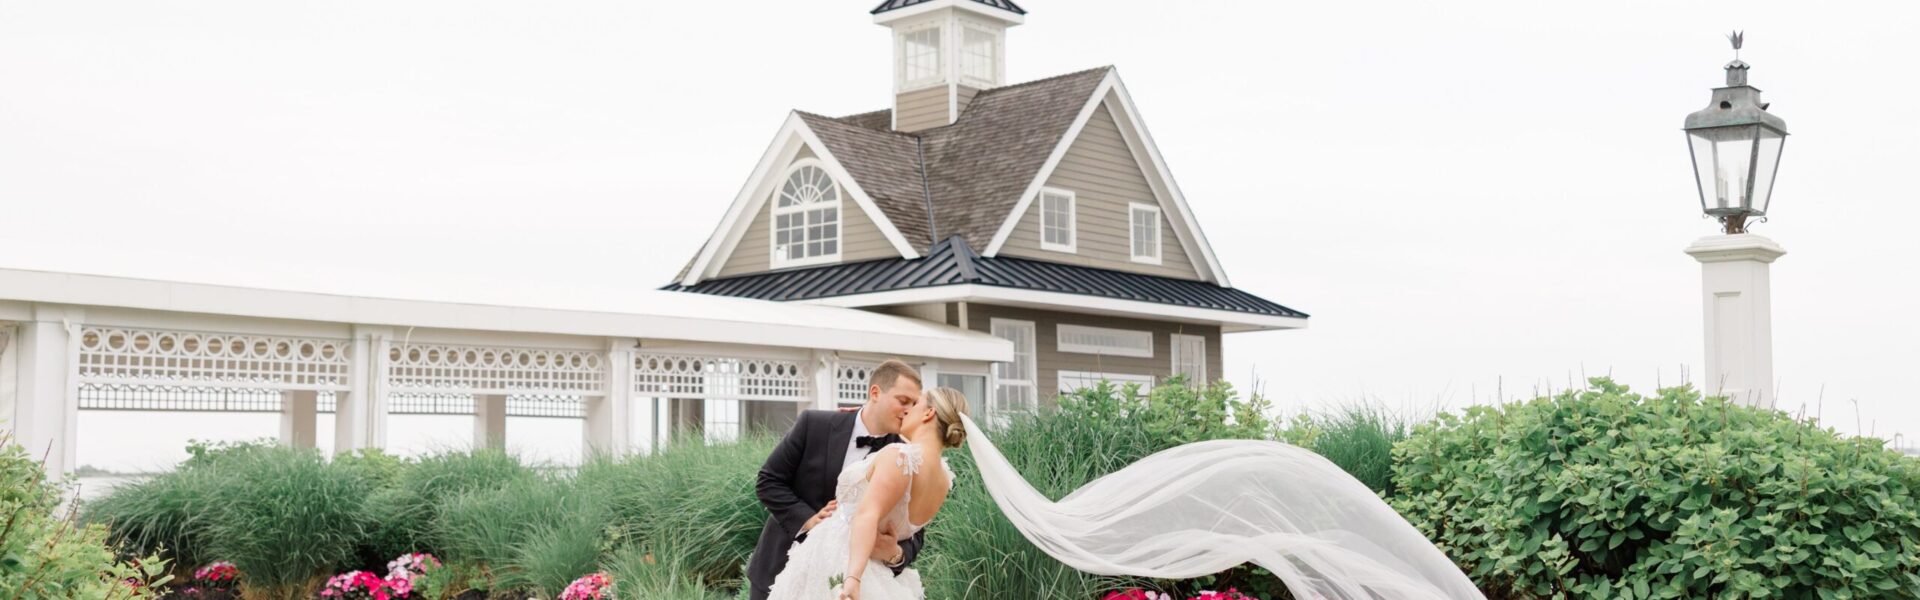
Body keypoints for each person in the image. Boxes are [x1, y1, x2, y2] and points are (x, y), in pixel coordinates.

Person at [765, 386, 968, 600]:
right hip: (880, 576)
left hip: (841, 563)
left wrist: (853, 578)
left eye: (916, 404)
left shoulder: (899, 457)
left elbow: (867, 514)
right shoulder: (944, 478)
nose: (907, 410)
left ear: (928, 413)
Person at [748, 359, 928, 600]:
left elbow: (915, 530)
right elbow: (768, 480)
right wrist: (809, 520)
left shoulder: (906, 455)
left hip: (853, 585)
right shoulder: (814, 424)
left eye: (914, 404)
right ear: (875, 392)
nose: (908, 409)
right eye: (903, 400)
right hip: (781, 572)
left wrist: (895, 553)